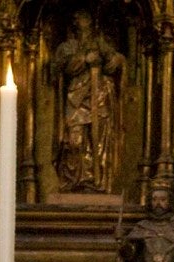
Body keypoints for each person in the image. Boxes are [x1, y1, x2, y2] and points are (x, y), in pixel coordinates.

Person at [53, 9, 125, 193]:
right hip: (76, 98)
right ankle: (73, 181)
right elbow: (59, 68)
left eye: (85, 17)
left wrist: (117, 60)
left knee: (98, 140)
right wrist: (84, 59)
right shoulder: (67, 47)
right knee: (74, 142)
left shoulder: (100, 43)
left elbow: (114, 59)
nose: (82, 21)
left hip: (99, 96)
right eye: (78, 18)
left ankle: (96, 181)